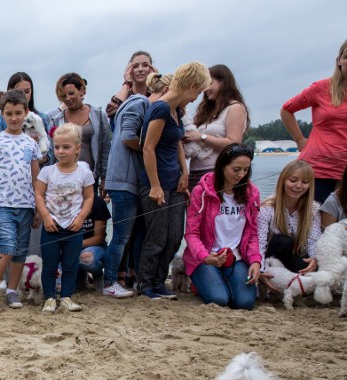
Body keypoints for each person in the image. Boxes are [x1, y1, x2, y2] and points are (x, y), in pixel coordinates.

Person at [138, 62, 210, 300]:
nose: (196, 98)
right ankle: (146, 284)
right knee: (157, 236)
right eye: (197, 92)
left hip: (175, 181)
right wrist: (155, 186)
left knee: (174, 236)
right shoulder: (160, 108)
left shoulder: (176, 110)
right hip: (155, 182)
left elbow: (178, 141)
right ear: (190, 86)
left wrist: (184, 173)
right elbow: (147, 148)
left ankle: (160, 281)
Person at [101, 72, 173, 299]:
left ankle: (128, 277)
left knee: (131, 234)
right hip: (123, 180)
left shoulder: (139, 103)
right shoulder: (140, 103)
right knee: (121, 236)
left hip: (128, 179)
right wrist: (152, 149)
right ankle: (110, 281)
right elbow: (127, 137)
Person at [0, 89, 41, 312]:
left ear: (26, 112)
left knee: (20, 251)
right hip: (1, 205)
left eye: (18, 113)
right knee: (6, 248)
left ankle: (12, 290)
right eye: (9, 113)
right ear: (2, 114)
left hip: (26, 205)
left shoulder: (31, 144)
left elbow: (36, 178)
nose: (14, 118)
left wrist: (38, 209)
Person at [183, 144, 261, 310]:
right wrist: (205, 256)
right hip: (206, 257)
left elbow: (253, 233)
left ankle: (221, 279)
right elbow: (191, 233)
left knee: (245, 303)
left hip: (236, 258)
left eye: (246, 170)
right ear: (222, 166)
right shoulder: (201, 192)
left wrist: (255, 261)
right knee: (219, 299)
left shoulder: (252, 194)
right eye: (236, 169)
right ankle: (203, 280)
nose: (241, 174)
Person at [35, 124, 95, 314]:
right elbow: (38, 195)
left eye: (66, 147)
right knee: (50, 265)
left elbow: (89, 197)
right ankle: (50, 298)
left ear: (78, 148)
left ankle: (67, 297)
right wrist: (45, 217)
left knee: (70, 265)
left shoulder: (84, 173)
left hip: (73, 228)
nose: (60, 151)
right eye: (57, 147)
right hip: (51, 227)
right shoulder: (47, 171)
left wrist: (81, 218)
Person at [281, 39, 347, 204]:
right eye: (346, 57)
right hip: (316, 171)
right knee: (314, 225)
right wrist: (299, 139)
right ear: (339, 61)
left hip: (346, 174)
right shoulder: (321, 88)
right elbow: (287, 110)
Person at [184, 64, 250, 189]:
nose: (205, 89)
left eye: (209, 84)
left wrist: (201, 137)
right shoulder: (207, 110)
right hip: (194, 173)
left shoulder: (235, 108)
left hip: (215, 172)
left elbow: (234, 144)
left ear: (223, 82)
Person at [46, 73, 111, 194]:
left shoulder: (98, 115)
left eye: (71, 93)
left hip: (91, 177)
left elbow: (105, 148)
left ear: (81, 91)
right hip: (63, 179)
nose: (68, 98)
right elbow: (52, 153)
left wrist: (105, 178)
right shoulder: (56, 120)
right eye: (64, 96)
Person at [257, 160, 321, 277]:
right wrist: (260, 271)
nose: (298, 186)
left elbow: (313, 239)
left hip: (295, 254)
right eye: (293, 180)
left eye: (305, 182)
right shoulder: (266, 208)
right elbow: (259, 243)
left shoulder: (313, 208)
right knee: (284, 241)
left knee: (304, 263)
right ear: (283, 180)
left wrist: (315, 258)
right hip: (271, 257)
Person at [106, 51, 156, 124]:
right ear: (129, 70)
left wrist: (156, 81)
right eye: (135, 66)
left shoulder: (156, 94)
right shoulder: (124, 96)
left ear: (151, 69)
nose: (140, 69)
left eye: (145, 65)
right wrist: (127, 82)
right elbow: (111, 112)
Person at [78, 193, 111, 289]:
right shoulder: (67, 201)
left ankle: (97, 276)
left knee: (87, 258)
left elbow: (98, 238)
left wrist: (73, 244)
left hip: (95, 247)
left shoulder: (97, 202)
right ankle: (81, 277)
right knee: (60, 287)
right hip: (71, 249)